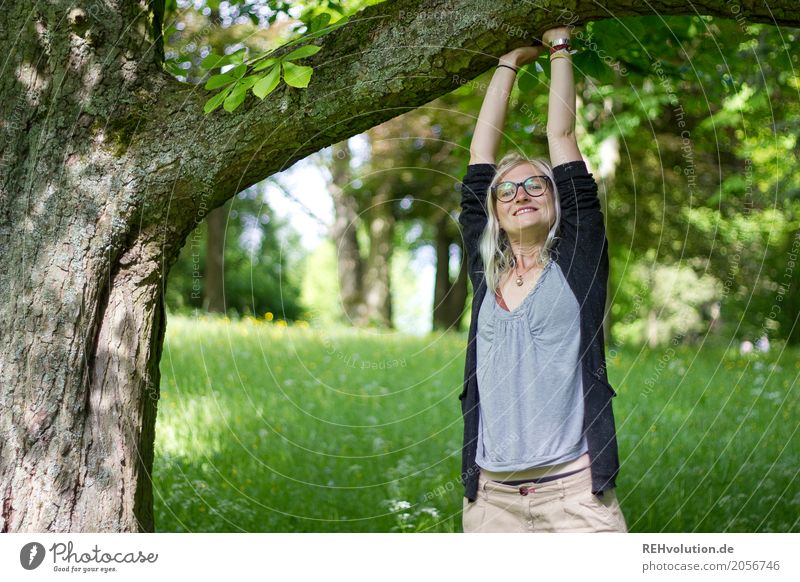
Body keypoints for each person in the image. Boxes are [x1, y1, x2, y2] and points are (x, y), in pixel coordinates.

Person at [457, 26, 628, 533]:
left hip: (575, 497)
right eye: (506, 191)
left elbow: (562, 138)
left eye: (536, 184)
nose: (520, 193)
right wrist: (508, 60)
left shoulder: (577, 263)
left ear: (556, 203)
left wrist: (557, 47)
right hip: (492, 503)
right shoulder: (487, 273)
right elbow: (478, 162)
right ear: (494, 212)